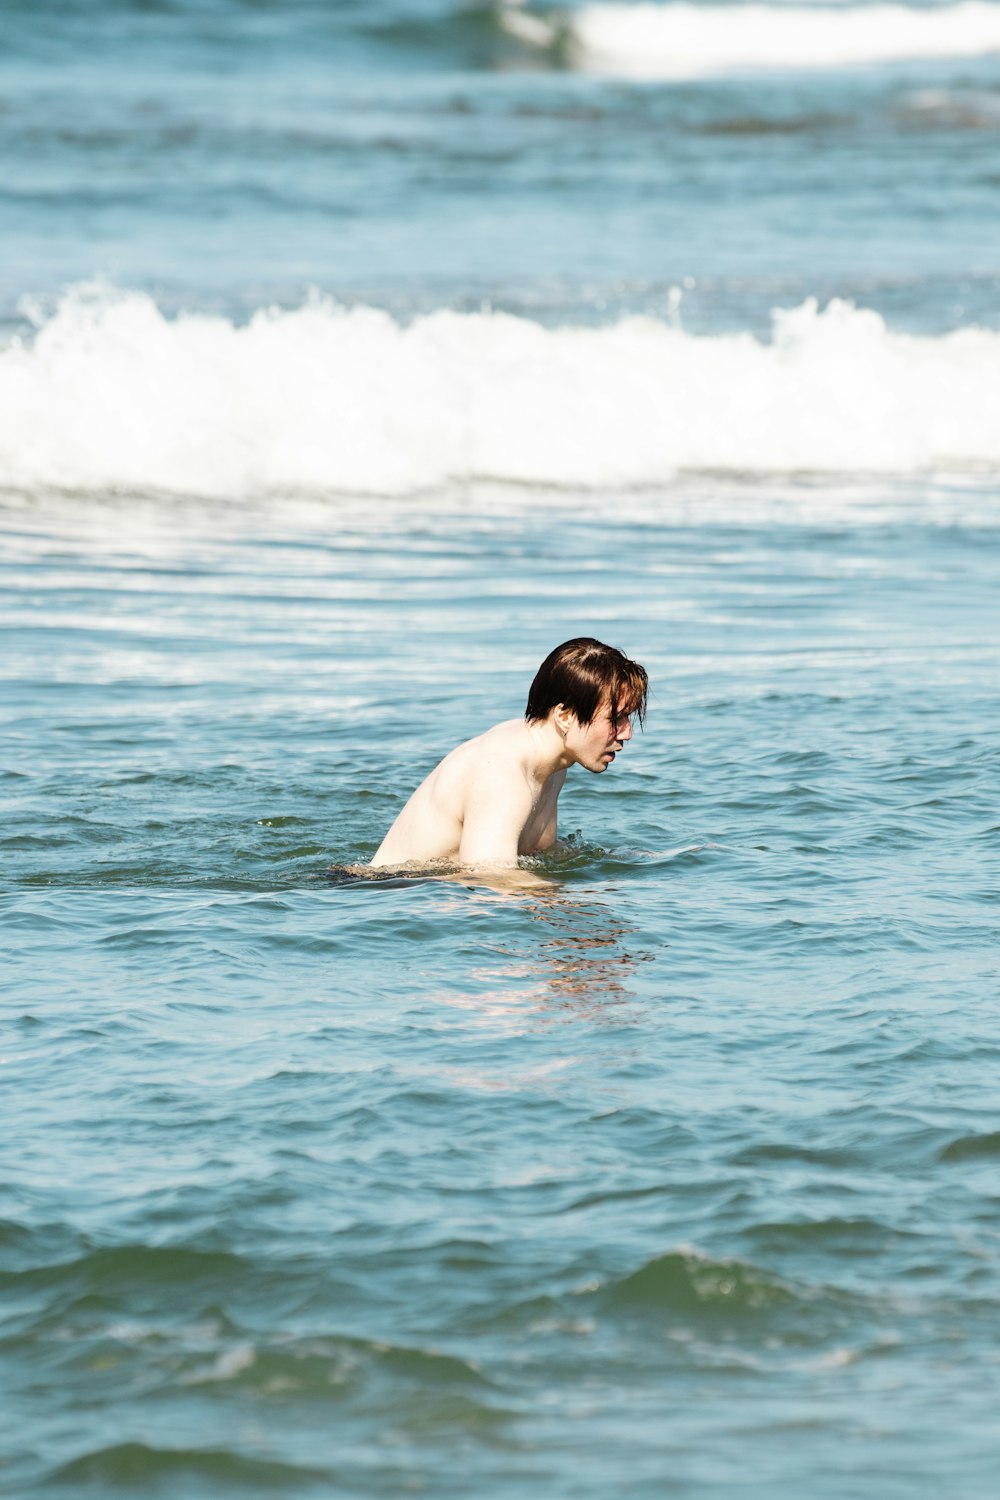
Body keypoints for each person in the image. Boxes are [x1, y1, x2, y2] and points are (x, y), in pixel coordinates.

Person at [370, 637, 648, 873]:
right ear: (565, 717)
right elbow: (489, 881)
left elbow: (540, 853)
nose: (626, 734)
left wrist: (634, 861)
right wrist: (571, 912)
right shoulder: (503, 774)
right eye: (616, 719)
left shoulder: (553, 762)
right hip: (383, 892)